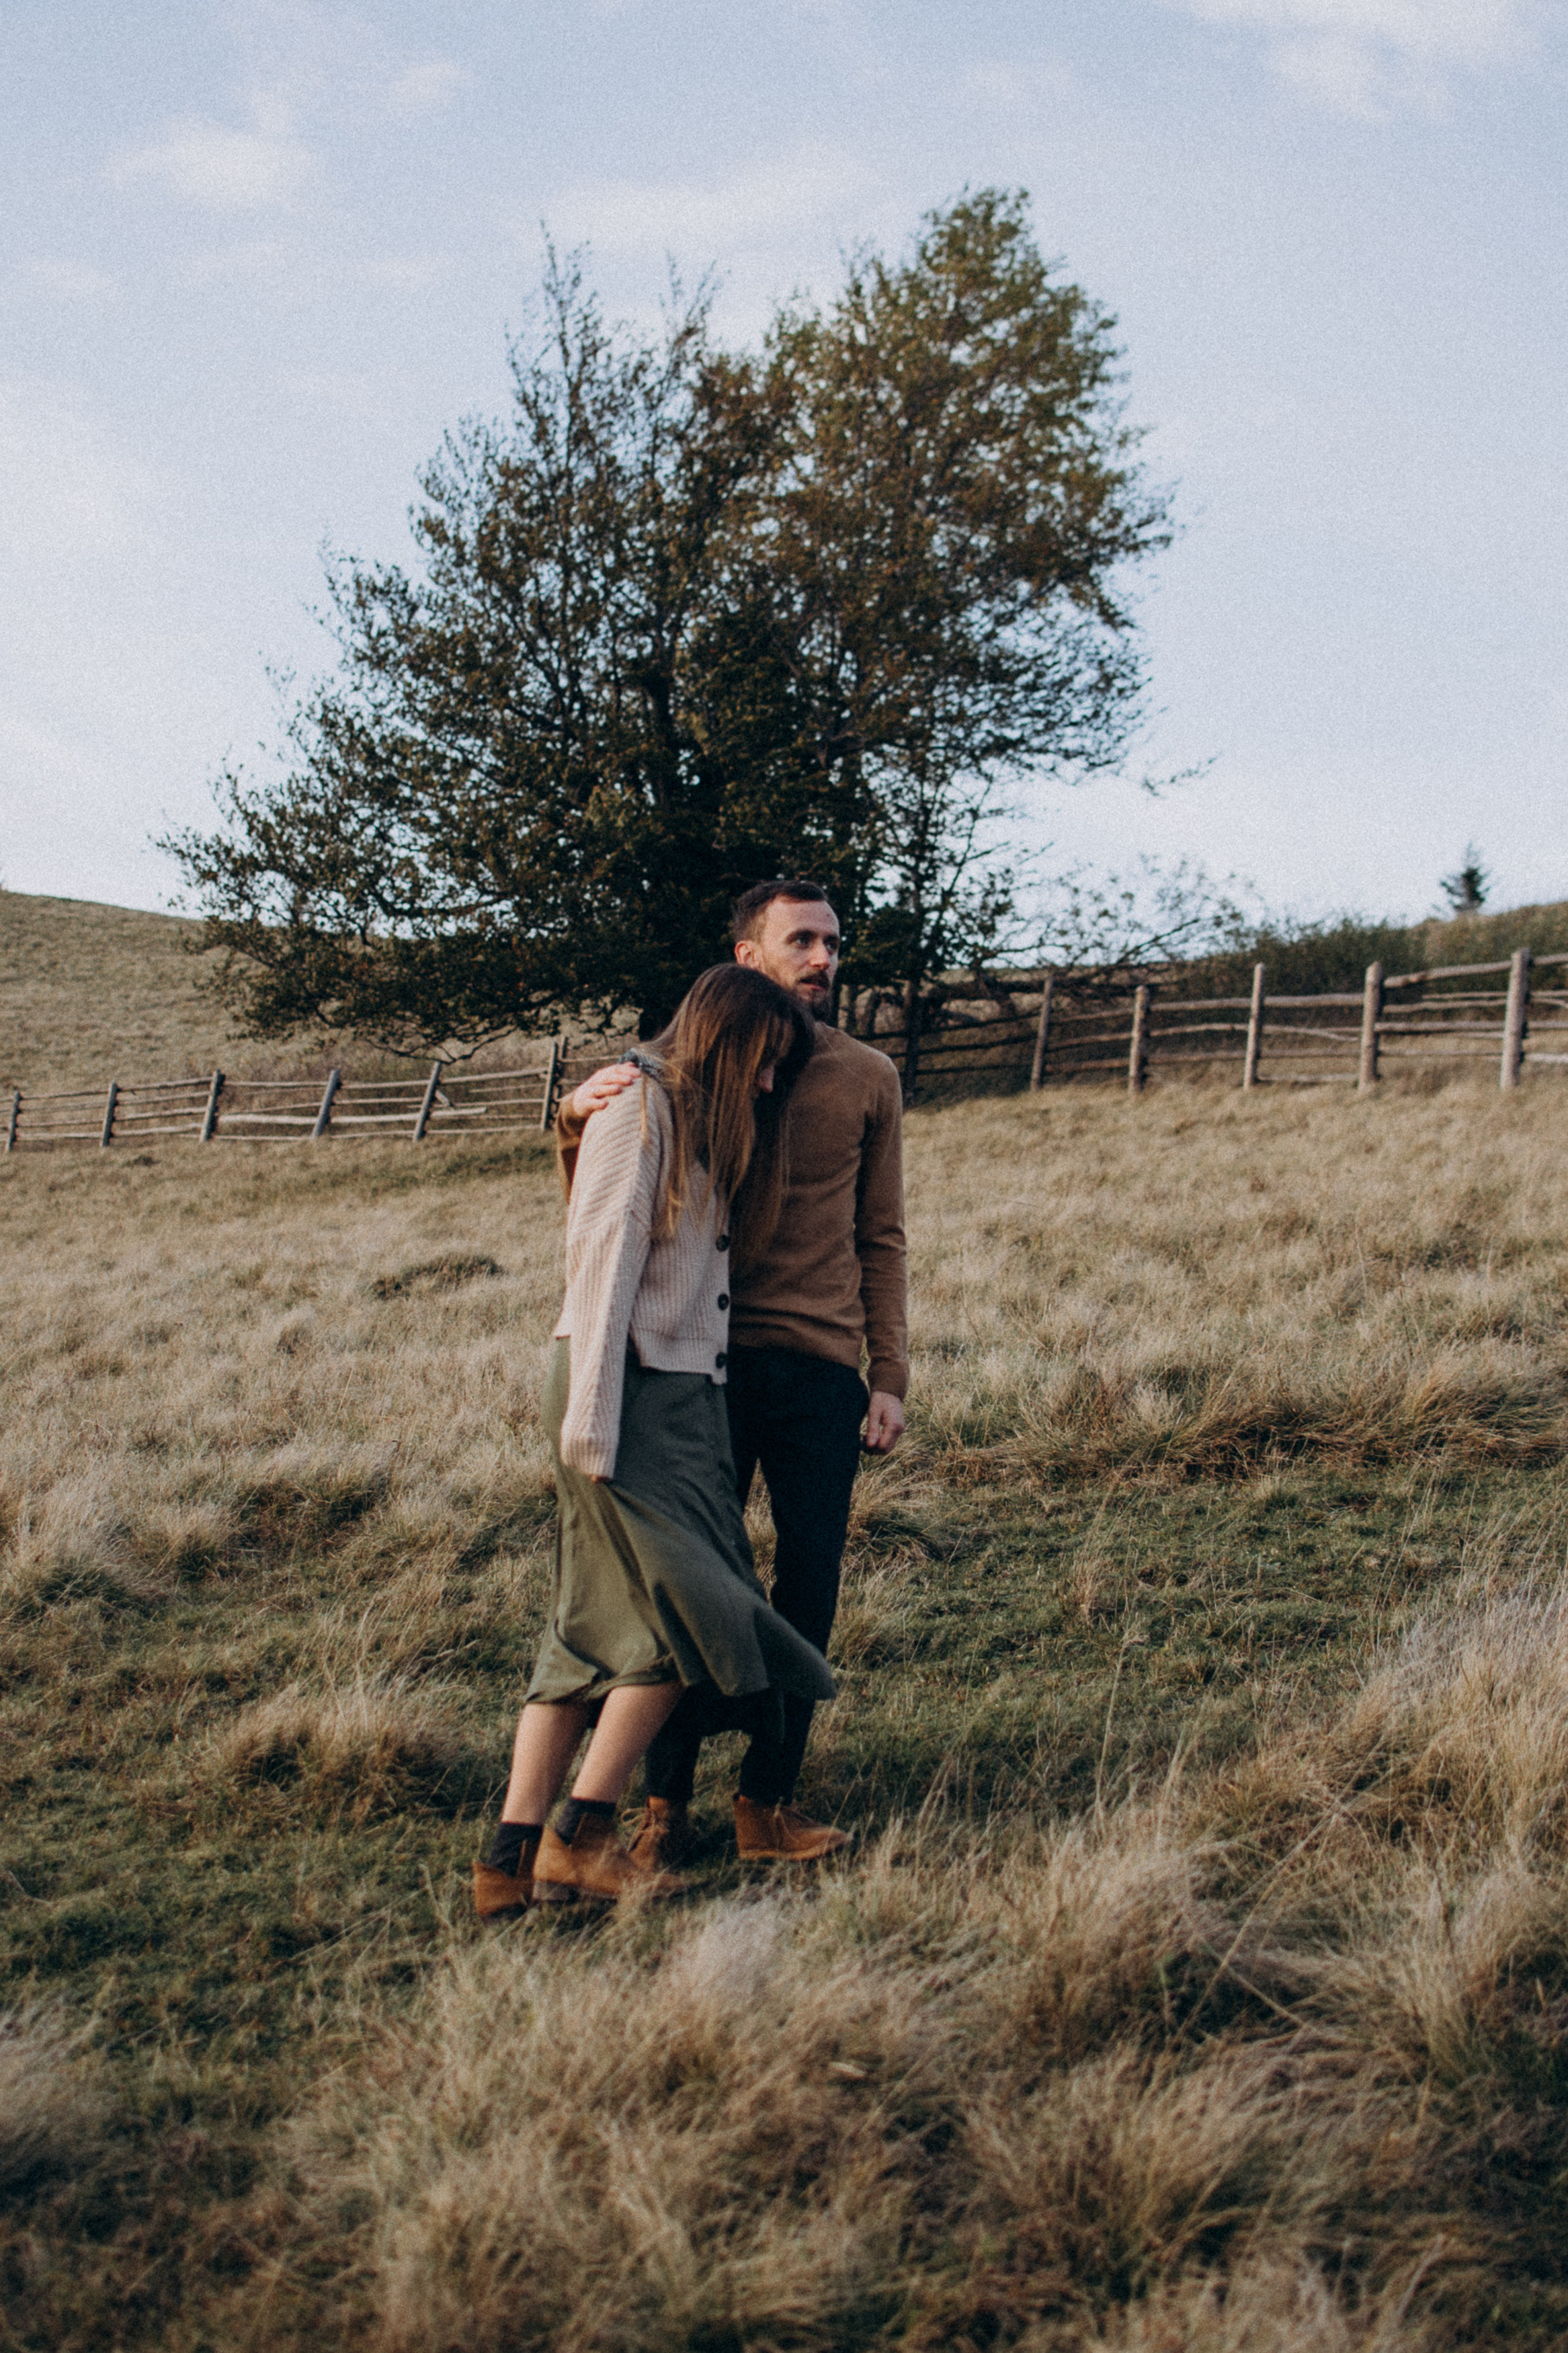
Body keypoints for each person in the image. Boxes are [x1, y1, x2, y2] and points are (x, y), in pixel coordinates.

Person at [557, 878, 907, 1871]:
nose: (823, 961)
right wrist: (570, 1118)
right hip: (695, 1370)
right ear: (745, 957)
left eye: (833, 945)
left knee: (809, 1582)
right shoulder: (685, 1072)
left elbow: (881, 1235)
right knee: (694, 1588)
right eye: (800, 942)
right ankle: (662, 1805)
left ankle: (767, 1800)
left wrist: (890, 1372)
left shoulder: (866, 1076)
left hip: (819, 1372)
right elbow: (611, 1200)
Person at [472, 963, 836, 1917]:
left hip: (668, 1394)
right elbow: (600, 1261)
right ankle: (584, 1836)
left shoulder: (690, 1116)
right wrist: (593, 1420)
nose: (768, 1084)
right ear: (723, 1038)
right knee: (699, 1614)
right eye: (764, 1063)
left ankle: (508, 1862)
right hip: (627, 1388)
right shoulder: (640, 1105)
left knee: (590, 1629)